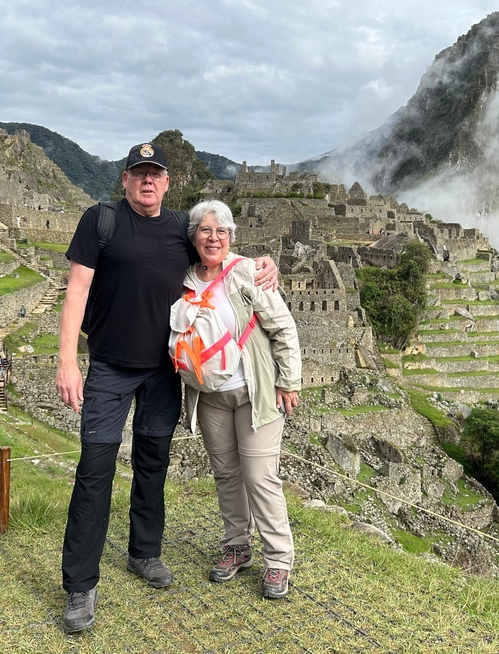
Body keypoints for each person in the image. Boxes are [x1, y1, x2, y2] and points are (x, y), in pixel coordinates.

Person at [55, 142, 278, 634]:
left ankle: (144, 553)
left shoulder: (181, 227)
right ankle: (80, 584)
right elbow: (77, 289)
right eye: (139, 174)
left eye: (155, 174)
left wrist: (264, 263)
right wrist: (67, 361)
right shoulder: (101, 221)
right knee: (95, 467)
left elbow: (219, 249)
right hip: (110, 367)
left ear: (167, 182)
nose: (147, 182)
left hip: (162, 372)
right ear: (125, 180)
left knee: (153, 464)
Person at [180, 200, 301, 599]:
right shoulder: (183, 278)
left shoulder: (247, 272)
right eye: (205, 230)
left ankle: (279, 560)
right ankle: (236, 546)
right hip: (210, 396)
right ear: (193, 235)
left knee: (260, 477)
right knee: (227, 476)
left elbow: (283, 327)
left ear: (231, 236)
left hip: (255, 392)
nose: (213, 238)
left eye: (222, 231)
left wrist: (289, 382)